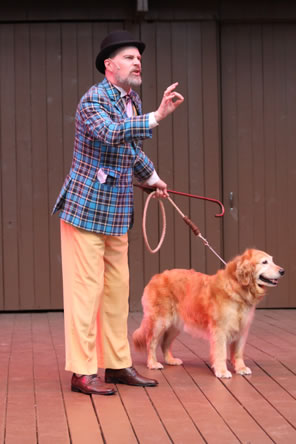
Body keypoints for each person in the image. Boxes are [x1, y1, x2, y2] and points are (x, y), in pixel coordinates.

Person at [52, 29, 184, 395]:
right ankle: (81, 373)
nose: (137, 61)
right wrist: (157, 116)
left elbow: (129, 150)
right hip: (85, 210)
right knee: (85, 293)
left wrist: (154, 178)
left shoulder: (132, 100)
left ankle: (117, 365)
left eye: (138, 57)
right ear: (109, 66)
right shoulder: (93, 101)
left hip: (116, 213)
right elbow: (111, 134)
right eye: (129, 57)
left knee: (116, 293)